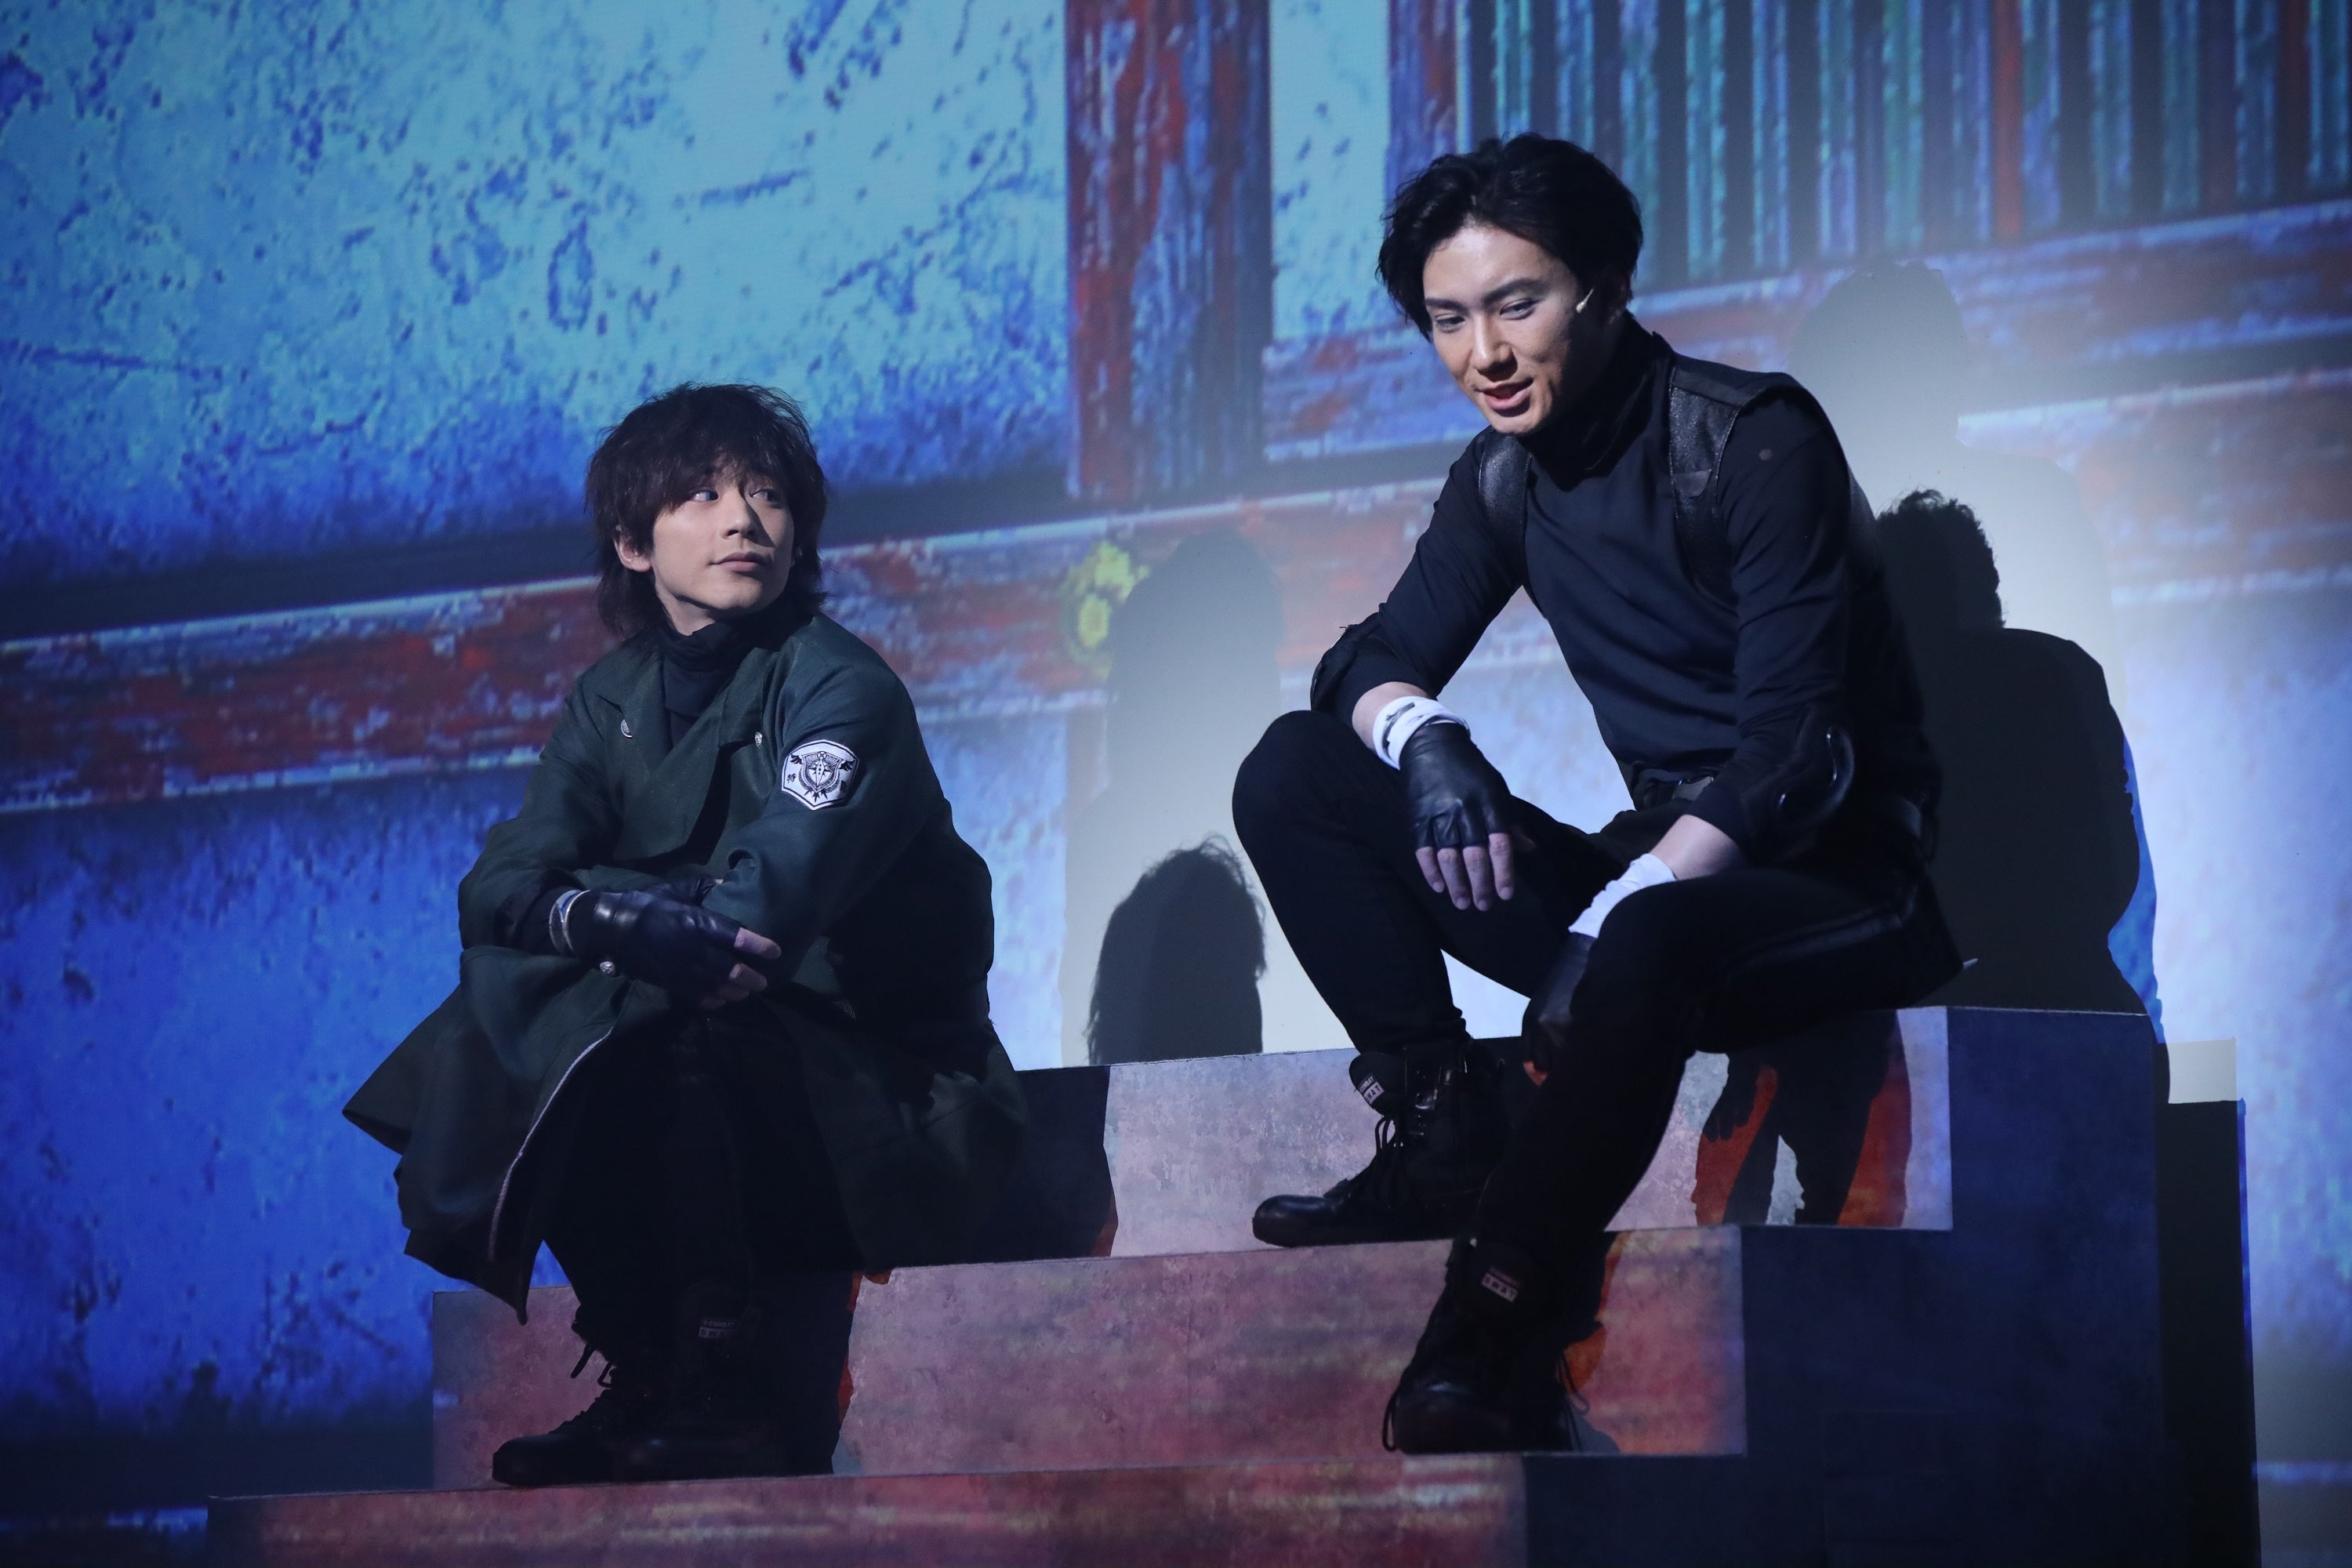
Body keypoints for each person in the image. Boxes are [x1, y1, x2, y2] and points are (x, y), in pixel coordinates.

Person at [1230, 136, 1959, 1452]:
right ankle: (1444, 1131)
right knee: (1297, 769)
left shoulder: (1754, 439)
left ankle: (1489, 1321)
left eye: (1518, 305)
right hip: (1653, 888)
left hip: (1837, 878)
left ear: (1607, 288)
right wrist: (1430, 742)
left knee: (1650, 934)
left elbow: (1795, 757)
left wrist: (1618, 913)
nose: (1485, 354)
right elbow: (1363, 662)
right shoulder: (1502, 478)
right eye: (1449, 320)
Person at [343, 384, 1024, 1486]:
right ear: (633, 542)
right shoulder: (608, 698)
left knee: (646, 1000)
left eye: (767, 495)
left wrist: (598, 912)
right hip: (722, 1090)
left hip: (889, 1116)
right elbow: (496, 889)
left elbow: (752, 927)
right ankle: (651, 1366)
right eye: (702, 495)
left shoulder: (842, 689)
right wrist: (602, 916)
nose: (744, 519)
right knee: (526, 994)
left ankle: (722, 1391)